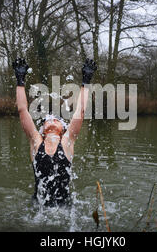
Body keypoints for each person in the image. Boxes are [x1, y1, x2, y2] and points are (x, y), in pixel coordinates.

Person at [13, 57, 97, 207]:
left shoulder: (67, 142)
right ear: (43, 129)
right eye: (47, 119)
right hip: (38, 209)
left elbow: (81, 111)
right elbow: (22, 110)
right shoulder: (36, 141)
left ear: (63, 129)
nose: (51, 120)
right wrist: (20, 81)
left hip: (64, 208)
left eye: (56, 119)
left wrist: (86, 81)